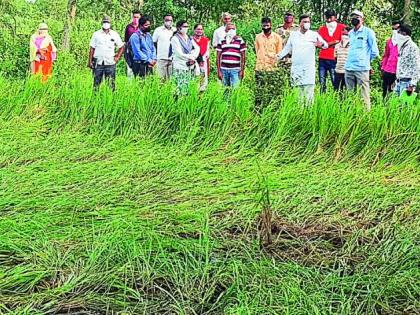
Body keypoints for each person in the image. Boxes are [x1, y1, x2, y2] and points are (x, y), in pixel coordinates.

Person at [278, 15, 327, 103]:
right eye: (304, 22)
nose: (306, 24)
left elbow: (325, 45)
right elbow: (287, 49)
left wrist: (321, 45)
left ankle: (309, 115)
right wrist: (277, 57)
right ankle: (299, 114)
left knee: (309, 96)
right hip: (296, 69)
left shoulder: (314, 34)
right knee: (297, 96)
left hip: (309, 69)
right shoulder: (293, 35)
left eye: (308, 22)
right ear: (300, 23)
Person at [344, 10, 379, 110]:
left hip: (362, 68)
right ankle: (352, 115)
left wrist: (366, 62)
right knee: (350, 95)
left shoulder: (368, 32)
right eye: (352, 17)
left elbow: (374, 51)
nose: (354, 19)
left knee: (364, 96)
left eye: (357, 17)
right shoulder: (350, 33)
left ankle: (365, 118)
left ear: (362, 19)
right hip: (349, 67)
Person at [88, 16, 124, 91]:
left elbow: (121, 46)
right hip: (98, 63)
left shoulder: (114, 34)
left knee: (111, 85)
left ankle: (111, 99)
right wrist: (90, 61)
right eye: (104, 22)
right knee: (96, 84)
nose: (106, 23)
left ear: (110, 23)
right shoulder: (96, 34)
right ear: (102, 23)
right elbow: (92, 48)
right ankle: (95, 99)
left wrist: (117, 57)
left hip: (110, 63)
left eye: (107, 22)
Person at [254, 17, 283, 108]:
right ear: (261, 25)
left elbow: (279, 53)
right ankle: (258, 109)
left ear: (271, 25)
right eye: (264, 25)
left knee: (272, 90)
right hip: (260, 67)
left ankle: (272, 108)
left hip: (272, 68)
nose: (266, 27)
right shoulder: (258, 37)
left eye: (267, 25)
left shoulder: (277, 37)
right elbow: (257, 50)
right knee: (259, 89)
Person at [318, 9, 346, 92]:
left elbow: (344, 43)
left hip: (335, 59)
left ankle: (336, 100)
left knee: (336, 82)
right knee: (322, 82)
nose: (329, 20)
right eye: (327, 18)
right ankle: (322, 100)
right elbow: (318, 44)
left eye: (331, 17)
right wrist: (333, 43)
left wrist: (326, 44)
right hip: (322, 58)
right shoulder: (322, 29)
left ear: (335, 17)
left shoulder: (342, 28)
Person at [171, 20, 200, 95]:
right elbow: (179, 53)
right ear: (179, 28)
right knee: (179, 87)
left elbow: (197, 48)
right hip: (180, 65)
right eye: (184, 26)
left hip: (189, 66)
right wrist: (190, 57)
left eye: (187, 27)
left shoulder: (189, 38)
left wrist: (193, 57)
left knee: (188, 87)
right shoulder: (175, 38)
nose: (186, 28)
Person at [217, 23, 247, 88]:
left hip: (235, 70)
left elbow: (243, 57)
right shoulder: (221, 40)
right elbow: (218, 56)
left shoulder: (240, 40)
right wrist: (219, 71)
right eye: (229, 29)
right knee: (224, 90)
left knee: (235, 90)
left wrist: (242, 70)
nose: (231, 31)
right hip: (224, 70)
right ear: (225, 31)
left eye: (233, 29)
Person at [393, 24, 420, 97]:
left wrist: (412, 85)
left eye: (398, 32)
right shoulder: (402, 46)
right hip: (398, 81)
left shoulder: (413, 47)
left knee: (404, 107)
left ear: (404, 34)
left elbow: (417, 67)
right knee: (394, 106)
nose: (397, 35)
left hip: (407, 83)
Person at [153, 14, 176, 81]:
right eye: (167, 20)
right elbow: (154, 43)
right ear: (164, 20)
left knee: (171, 80)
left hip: (172, 59)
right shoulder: (158, 30)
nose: (169, 22)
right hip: (161, 58)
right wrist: (155, 55)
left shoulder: (175, 30)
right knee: (161, 79)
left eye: (170, 20)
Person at [381, 21, 400, 99]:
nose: (395, 30)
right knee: (385, 89)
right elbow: (386, 55)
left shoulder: (403, 43)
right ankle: (384, 104)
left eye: (397, 28)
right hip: (388, 69)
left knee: (394, 90)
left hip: (398, 70)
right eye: (393, 29)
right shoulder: (389, 42)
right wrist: (383, 67)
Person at [192, 24, 211, 91]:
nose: (199, 31)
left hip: (203, 62)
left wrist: (202, 60)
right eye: (198, 29)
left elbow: (207, 53)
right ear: (194, 30)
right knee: (194, 80)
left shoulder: (206, 40)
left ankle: (201, 97)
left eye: (201, 29)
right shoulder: (190, 40)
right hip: (193, 62)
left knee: (203, 80)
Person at [124, 10, 141, 78]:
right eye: (134, 17)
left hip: (140, 51)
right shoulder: (128, 27)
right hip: (130, 52)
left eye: (137, 17)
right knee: (130, 70)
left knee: (140, 71)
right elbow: (126, 41)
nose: (136, 19)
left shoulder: (142, 27)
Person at [333, 26, 351, 91]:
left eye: (346, 34)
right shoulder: (337, 46)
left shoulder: (352, 45)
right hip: (338, 70)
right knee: (337, 90)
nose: (344, 36)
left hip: (348, 71)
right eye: (343, 34)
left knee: (348, 90)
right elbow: (335, 58)